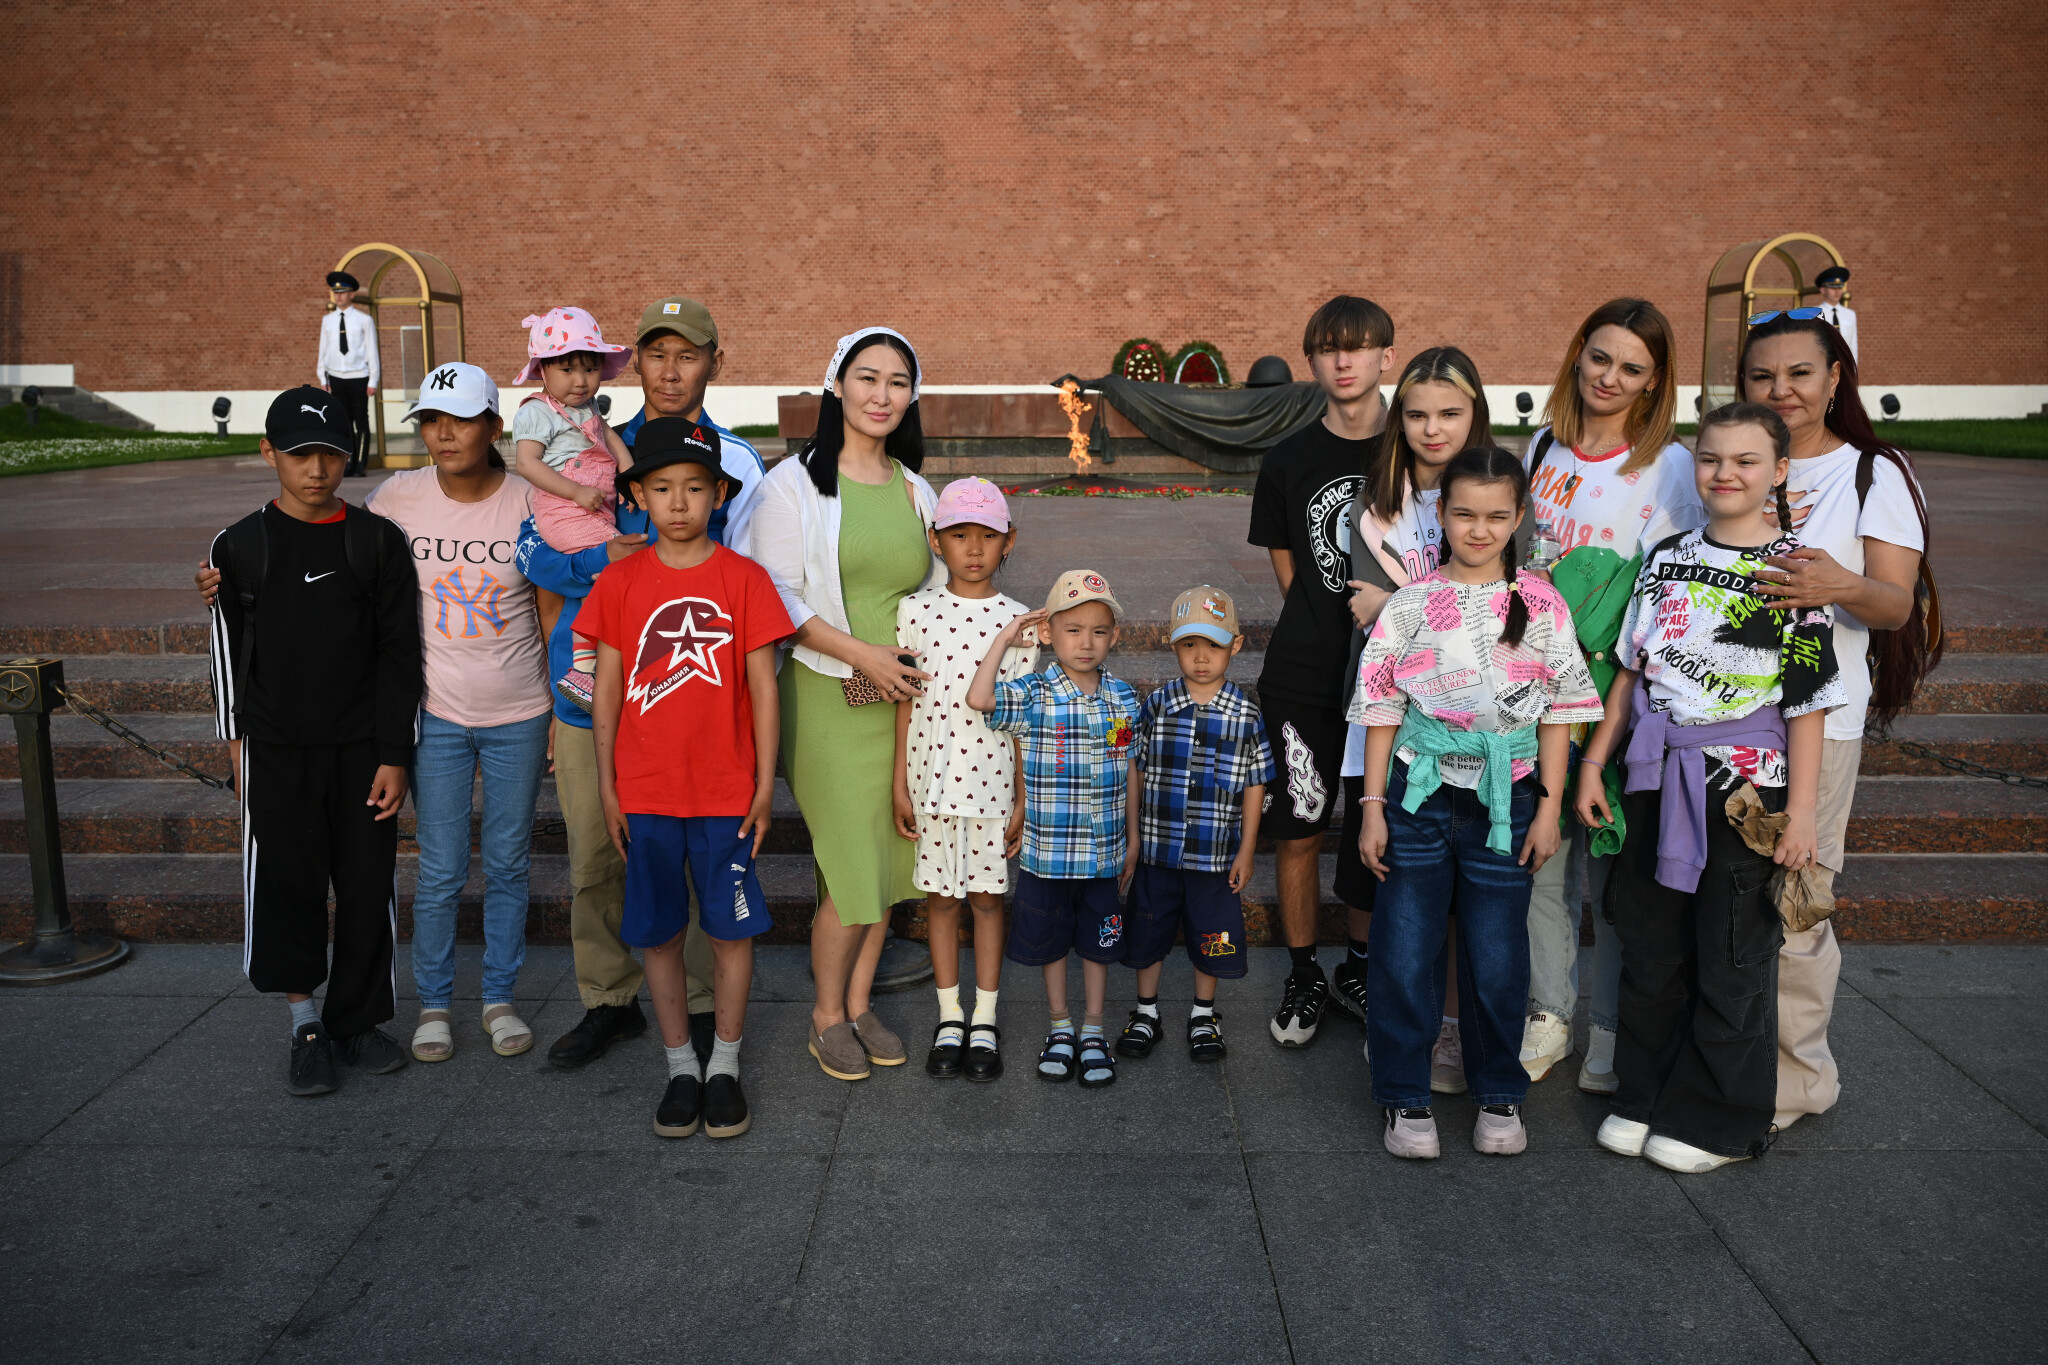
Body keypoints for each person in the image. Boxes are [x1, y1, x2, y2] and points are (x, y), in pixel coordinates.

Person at [1576, 402, 1846, 1173]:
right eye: (1711, 457)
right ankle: (1646, 1095)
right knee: (1651, 947)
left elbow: (1806, 703)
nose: (1725, 472)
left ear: (1779, 471)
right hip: (1655, 778)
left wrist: (1801, 813)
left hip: (1743, 793)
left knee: (1732, 951)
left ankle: (1721, 1119)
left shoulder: (1798, 570)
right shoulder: (1665, 555)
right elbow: (1631, 673)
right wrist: (1594, 763)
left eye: (1746, 460)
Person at [515, 295, 764, 1073]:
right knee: (596, 855)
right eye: (656, 353)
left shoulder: (735, 463)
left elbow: (755, 579)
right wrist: (605, 562)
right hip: (591, 690)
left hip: (695, 700)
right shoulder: (588, 440)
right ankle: (608, 999)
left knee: (692, 860)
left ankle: (699, 1004)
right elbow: (533, 554)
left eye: (687, 354)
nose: (670, 370)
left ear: (714, 362)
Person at [1352, 448, 1599, 1160]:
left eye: (1496, 515)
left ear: (1518, 518)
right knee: (1405, 949)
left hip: (1508, 798)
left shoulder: (1542, 604)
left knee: (1497, 953)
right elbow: (1380, 708)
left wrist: (1547, 808)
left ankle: (1498, 1092)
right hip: (1419, 794)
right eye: (1464, 513)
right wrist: (1373, 805)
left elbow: (1560, 712)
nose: (1479, 529)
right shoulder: (1410, 603)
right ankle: (1404, 1095)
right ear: (1442, 514)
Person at [1739, 308, 1936, 1131]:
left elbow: (1895, 602)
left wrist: (1838, 585)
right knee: (1725, 901)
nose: (1780, 390)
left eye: (1799, 374)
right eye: (1762, 375)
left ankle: (1797, 1079)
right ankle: (1728, 1058)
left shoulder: (1872, 472)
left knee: (1795, 900)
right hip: (1723, 723)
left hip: (1822, 720)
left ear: (1834, 379)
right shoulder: (1732, 458)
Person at [733, 327, 944, 1083]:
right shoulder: (791, 484)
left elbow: (936, 589)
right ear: (837, 385)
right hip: (828, 691)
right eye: (867, 377)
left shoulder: (917, 489)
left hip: (902, 699)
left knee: (886, 860)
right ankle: (826, 1016)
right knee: (855, 864)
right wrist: (864, 655)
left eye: (898, 381)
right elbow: (776, 595)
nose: (882, 394)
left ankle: (859, 1003)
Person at [206, 387, 422, 1095]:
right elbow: (228, 652)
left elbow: (400, 653)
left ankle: (356, 1020)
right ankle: (304, 1024)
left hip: (362, 751)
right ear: (268, 452)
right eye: (300, 454)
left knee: (366, 889)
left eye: (331, 453)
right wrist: (236, 749)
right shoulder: (239, 545)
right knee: (286, 887)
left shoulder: (377, 540)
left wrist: (395, 753)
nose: (317, 469)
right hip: (275, 750)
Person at [584, 419, 791, 1140]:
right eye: (663, 487)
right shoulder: (620, 580)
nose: (679, 502)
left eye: (696, 488)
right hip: (646, 793)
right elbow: (607, 689)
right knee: (660, 932)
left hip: (726, 794)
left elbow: (764, 689)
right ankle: (680, 1066)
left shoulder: (744, 580)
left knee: (730, 931)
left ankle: (724, 1063)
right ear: (638, 495)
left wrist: (763, 784)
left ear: (719, 495)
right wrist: (609, 784)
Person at [1519, 298, 1705, 1094]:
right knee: (1544, 858)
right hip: (1540, 682)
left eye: (1632, 367)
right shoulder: (1542, 445)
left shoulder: (1671, 466)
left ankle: (1611, 1027)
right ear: (1578, 354)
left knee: (1614, 869)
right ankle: (1548, 1011)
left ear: (1655, 380)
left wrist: (1622, 695)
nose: (1610, 377)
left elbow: (1669, 594)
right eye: (1600, 357)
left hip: (1619, 687)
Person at [1338, 345, 1492, 1092]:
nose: (1434, 429)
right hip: (1393, 724)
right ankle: (1403, 1026)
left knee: (1466, 897)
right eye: (1419, 414)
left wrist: (1395, 604)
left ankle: (1455, 1028)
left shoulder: (1495, 491)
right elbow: (1369, 619)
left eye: (1450, 413)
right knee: (1402, 890)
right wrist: (1396, 609)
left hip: (1478, 721)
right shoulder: (1375, 510)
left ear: (1475, 415)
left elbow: (1500, 602)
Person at [1246, 294, 1396, 1050]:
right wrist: (1325, 626)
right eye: (1328, 347)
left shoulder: (1410, 449)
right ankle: (1304, 971)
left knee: (1377, 826)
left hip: (1394, 679)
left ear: (1385, 357)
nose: (1343, 360)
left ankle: (1360, 967)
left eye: (1358, 345)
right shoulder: (1288, 459)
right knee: (1300, 824)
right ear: (1311, 360)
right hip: (1305, 672)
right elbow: (1291, 572)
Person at [970, 571, 1141, 1089]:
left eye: (1098, 630)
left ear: (1114, 636)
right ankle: (1060, 1027)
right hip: (1048, 856)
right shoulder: (1035, 693)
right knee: (1049, 945)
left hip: (1104, 854)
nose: (1086, 642)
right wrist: (1006, 636)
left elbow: (1130, 766)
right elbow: (979, 698)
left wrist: (1133, 838)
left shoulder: (1124, 697)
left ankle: (1094, 1029)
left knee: (1097, 946)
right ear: (1047, 634)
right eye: (1072, 630)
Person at [891, 477, 1035, 1082]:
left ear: (1008, 541)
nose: (973, 548)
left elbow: (1021, 715)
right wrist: (899, 783)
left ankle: (985, 1017)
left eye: (987, 536)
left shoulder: (1020, 622)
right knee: (942, 901)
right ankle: (949, 1015)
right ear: (935, 540)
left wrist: (1022, 795)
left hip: (992, 787)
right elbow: (905, 700)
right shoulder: (914, 611)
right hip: (929, 782)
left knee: (987, 901)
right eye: (958, 535)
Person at [1117, 586, 1274, 1064]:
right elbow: (1135, 767)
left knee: (1213, 934)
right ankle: (1146, 1012)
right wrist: (1132, 837)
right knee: (1148, 931)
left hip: (1215, 856)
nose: (1201, 657)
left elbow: (1256, 783)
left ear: (1236, 645)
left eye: (1214, 645)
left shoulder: (1246, 714)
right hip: (1158, 851)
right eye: (1189, 645)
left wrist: (1247, 850)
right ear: (1173, 645)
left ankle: (1203, 1014)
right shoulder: (1158, 705)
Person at [508, 307, 636, 695]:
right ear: (542, 370)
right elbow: (527, 464)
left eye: (590, 369)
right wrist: (576, 491)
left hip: (590, 508)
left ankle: (593, 665)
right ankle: (585, 670)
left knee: (603, 583)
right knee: (615, 570)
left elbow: (609, 438)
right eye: (567, 370)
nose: (580, 381)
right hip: (565, 510)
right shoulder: (536, 412)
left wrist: (630, 477)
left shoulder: (587, 407)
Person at [316, 271, 378, 479]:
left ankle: (361, 463)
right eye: (336, 293)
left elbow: (371, 350)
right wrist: (323, 377)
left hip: (358, 376)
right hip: (336, 376)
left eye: (342, 292)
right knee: (344, 422)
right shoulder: (328, 320)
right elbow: (323, 350)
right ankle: (348, 462)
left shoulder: (363, 320)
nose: (339, 296)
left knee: (361, 422)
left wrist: (373, 379)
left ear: (352, 294)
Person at [1814, 266, 1859, 363]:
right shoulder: (1815, 313)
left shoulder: (1850, 314)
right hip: (1823, 362)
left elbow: (1853, 344)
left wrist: (1853, 368)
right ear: (1823, 290)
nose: (1837, 291)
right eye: (1832, 287)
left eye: (1839, 287)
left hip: (1844, 363)